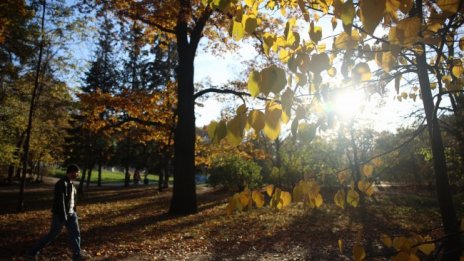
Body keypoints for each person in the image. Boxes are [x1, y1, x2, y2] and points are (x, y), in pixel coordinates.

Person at [26, 164, 86, 260]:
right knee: (52, 235)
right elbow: (60, 201)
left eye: (78, 174)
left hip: (72, 215)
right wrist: (63, 215)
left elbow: (73, 201)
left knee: (76, 234)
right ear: (70, 172)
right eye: (76, 173)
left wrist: (74, 213)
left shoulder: (72, 185)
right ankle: (32, 252)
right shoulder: (61, 183)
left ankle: (77, 255)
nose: (77, 175)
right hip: (60, 214)